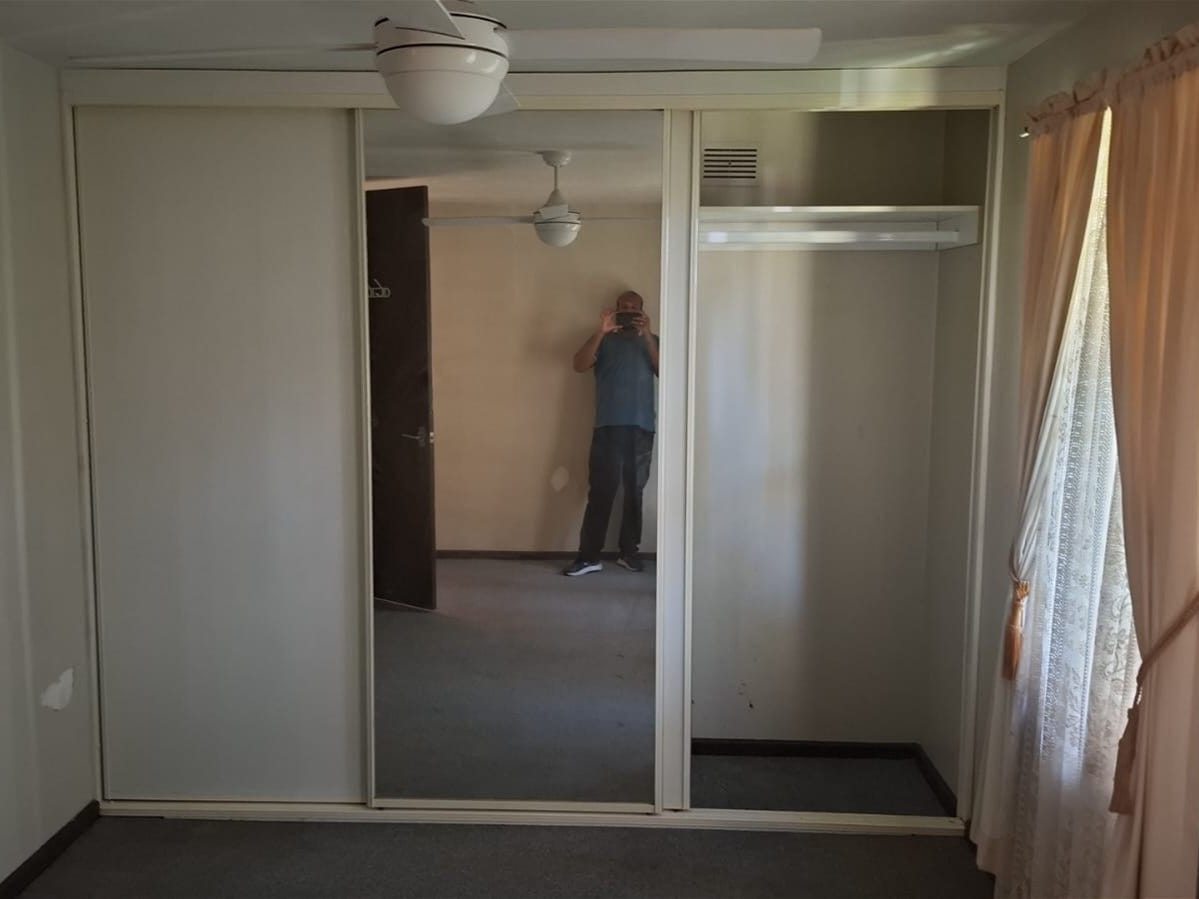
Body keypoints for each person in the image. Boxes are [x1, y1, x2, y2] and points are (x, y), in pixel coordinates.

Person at [563, 290, 659, 577]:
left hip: (642, 428)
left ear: (642, 311)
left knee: (634, 493)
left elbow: (666, 372)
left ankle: (629, 553)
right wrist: (600, 332)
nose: (628, 311)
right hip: (607, 426)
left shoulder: (652, 341)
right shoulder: (603, 339)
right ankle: (589, 557)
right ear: (615, 310)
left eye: (633, 307)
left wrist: (648, 335)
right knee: (601, 492)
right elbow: (578, 365)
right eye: (623, 307)